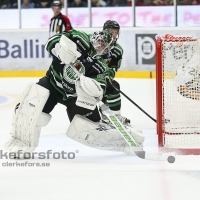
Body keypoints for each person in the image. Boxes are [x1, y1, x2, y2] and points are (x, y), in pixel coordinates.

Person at [4, 29, 145, 158]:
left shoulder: (100, 65)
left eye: (104, 46)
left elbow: (100, 88)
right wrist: (59, 50)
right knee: (28, 108)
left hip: (74, 97)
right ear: (95, 37)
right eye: (99, 42)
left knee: (90, 129)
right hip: (53, 84)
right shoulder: (79, 38)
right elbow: (51, 41)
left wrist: (86, 82)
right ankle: (20, 141)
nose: (100, 46)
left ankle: (126, 142)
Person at [101, 20, 131, 126]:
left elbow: (113, 67)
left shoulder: (117, 50)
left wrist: (108, 75)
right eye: (111, 32)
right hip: (87, 78)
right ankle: (103, 112)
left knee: (112, 86)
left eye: (116, 32)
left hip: (101, 79)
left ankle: (112, 115)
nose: (114, 35)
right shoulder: (96, 43)